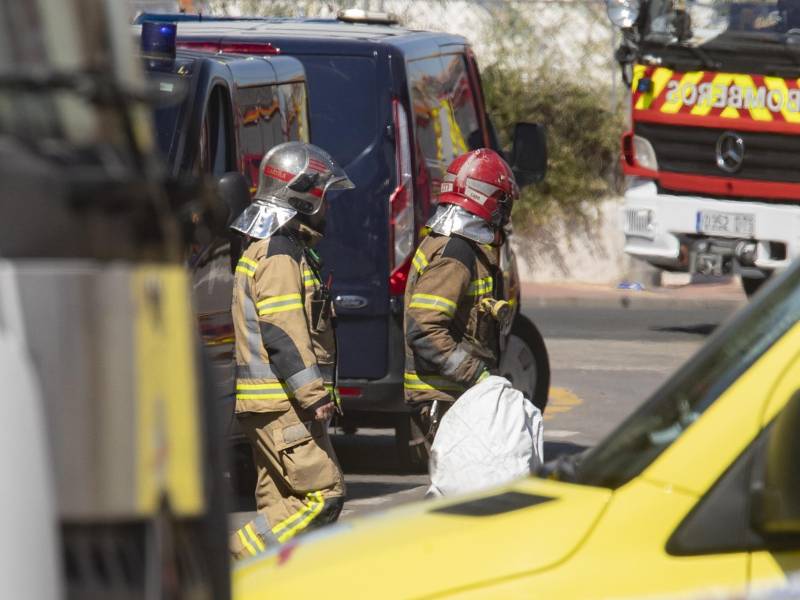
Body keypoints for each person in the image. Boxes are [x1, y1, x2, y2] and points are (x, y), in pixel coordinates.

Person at [228, 142, 353, 560]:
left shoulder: (270, 249)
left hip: (266, 404)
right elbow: (282, 332)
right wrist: (313, 396)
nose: (328, 209)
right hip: (284, 404)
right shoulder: (280, 254)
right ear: (304, 197)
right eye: (324, 198)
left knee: (278, 502)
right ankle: (231, 561)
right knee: (322, 496)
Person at [404, 148, 519, 443]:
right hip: (445, 397)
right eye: (503, 203)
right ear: (489, 201)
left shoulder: (457, 244)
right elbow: (424, 328)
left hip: (453, 396)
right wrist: (476, 375)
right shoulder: (456, 252)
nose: (505, 213)